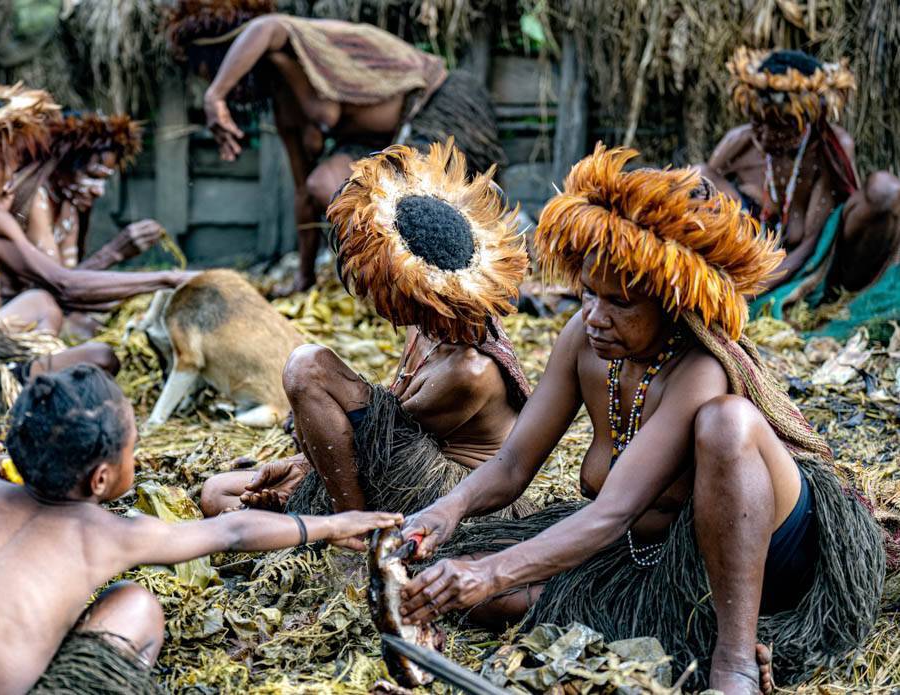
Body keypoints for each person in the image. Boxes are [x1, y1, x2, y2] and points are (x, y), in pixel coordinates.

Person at [395, 146, 885, 694]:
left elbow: (611, 513)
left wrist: (490, 570)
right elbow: (512, 464)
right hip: (650, 567)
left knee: (728, 422)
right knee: (467, 594)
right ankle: (680, 633)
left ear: (671, 303)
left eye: (621, 303)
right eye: (587, 294)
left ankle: (736, 659)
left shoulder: (698, 368)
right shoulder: (584, 338)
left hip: (766, 564)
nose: (595, 316)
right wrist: (445, 510)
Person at [0, 363, 401, 694]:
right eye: (131, 447)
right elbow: (232, 533)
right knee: (136, 605)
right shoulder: (108, 534)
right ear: (100, 478)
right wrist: (328, 524)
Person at [201, 141, 531, 520]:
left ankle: (349, 531)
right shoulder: (427, 328)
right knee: (217, 494)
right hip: (398, 463)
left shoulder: (468, 372)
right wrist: (302, 464)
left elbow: (376, 443)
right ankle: (329, 519)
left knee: (308, 368)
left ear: (412, 290)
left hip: (447, 497)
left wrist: (305, 461)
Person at [0, 85, 192, 421]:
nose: (14, 164)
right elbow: (66, 286)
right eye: (8, 152)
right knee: (102, 356)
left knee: (40, 303)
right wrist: (168, 279)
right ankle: (24, 397)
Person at [168, 0, 506, 295]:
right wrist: (304, 277)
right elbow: (304, 192)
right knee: (326, 185)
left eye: (210, 72)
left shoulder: (303, 41)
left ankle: (444, 280)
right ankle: (392, 279)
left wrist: (216, 97)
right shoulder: (284, 105)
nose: (209, 82)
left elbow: (268, 27)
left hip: (435, 106)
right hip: (376, 142)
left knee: (425, 202)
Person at [700, 48, 900, 319]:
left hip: (817, 264)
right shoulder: (741, 143)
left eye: (780, 126)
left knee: (884, 190)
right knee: (698, 176)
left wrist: (749, 289)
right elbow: (702, 192)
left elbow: (810, 246)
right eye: (759, 122)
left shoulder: (828, 151)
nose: (767, 135)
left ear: (807, 119)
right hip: (753, 252)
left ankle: (831, 301)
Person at [5, 110, 165, 338]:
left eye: (104, 180)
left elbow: (71, 278)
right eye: (92, 176)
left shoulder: (69, 204)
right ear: (61, 167)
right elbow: (61, 286)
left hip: (51, 307)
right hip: (13, 314)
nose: (99, 191)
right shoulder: (36, 200)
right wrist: (114, 252)